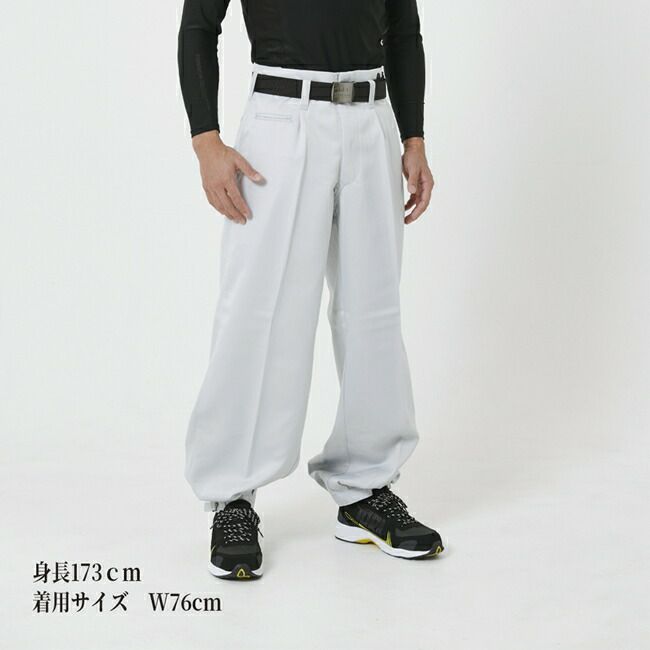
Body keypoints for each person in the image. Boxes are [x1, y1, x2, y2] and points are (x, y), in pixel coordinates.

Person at [178, 0, 443, 581]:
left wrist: (414, 137)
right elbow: (199, 25)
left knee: (372, 311)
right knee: (259, 312)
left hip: (371, 119)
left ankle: (365, 485)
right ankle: (231, 495)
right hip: (281, 120)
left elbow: (405, 29)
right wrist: (205, 141)